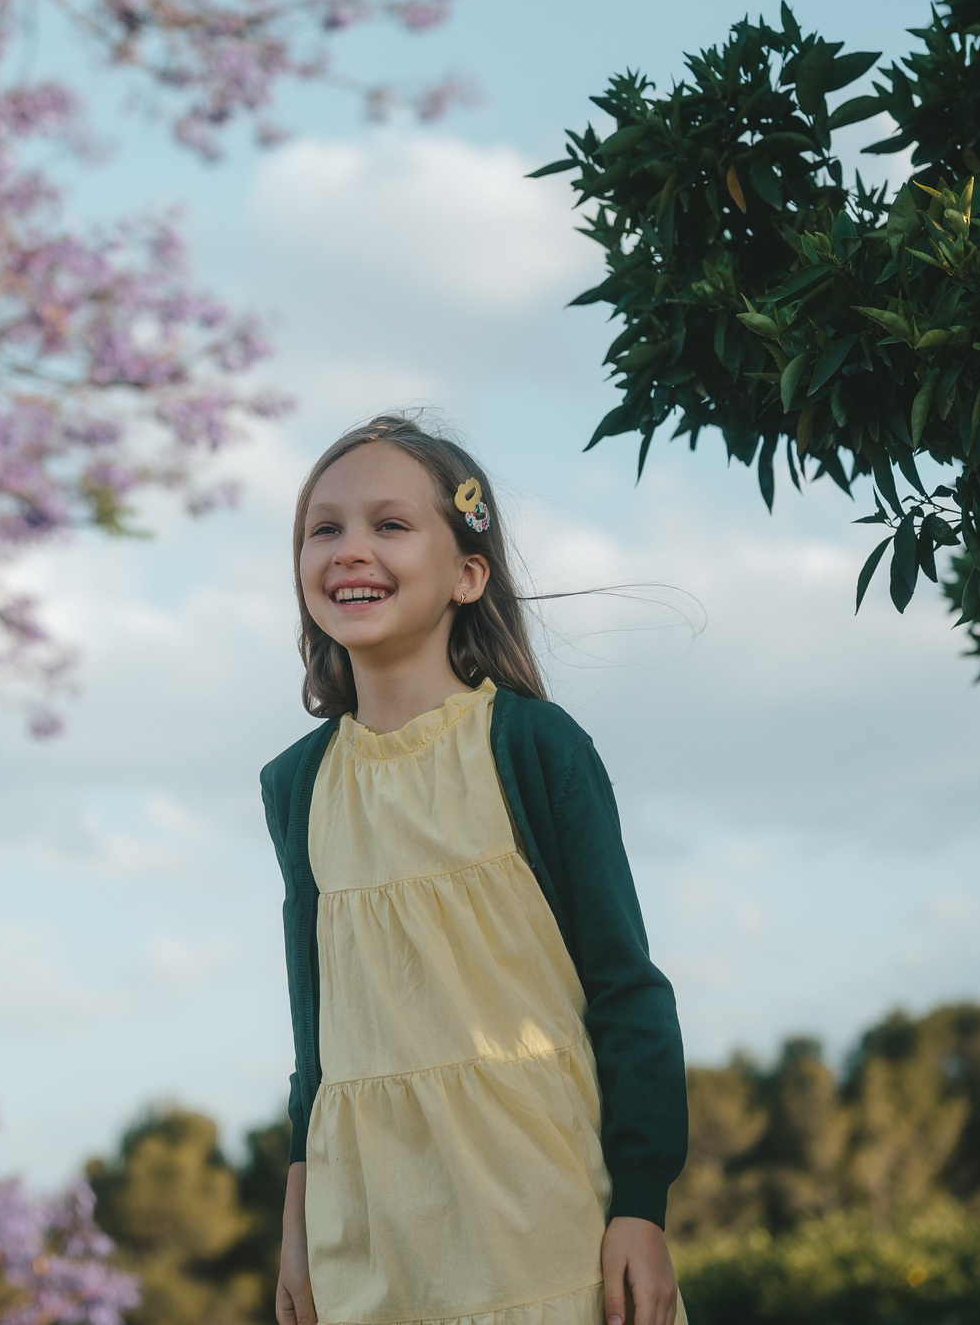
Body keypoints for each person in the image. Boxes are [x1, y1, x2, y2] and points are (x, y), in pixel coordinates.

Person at [263, 415, 687, 1325]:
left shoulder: (534, 746)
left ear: (468, 573)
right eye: (324, 528)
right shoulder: (298, 786)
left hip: (541, 1214)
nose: (350, 549)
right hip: (370, 1228)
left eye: (389, 524)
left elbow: (627, 990)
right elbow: (315, 1040)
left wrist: (641, 1205)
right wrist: (297, 1222)